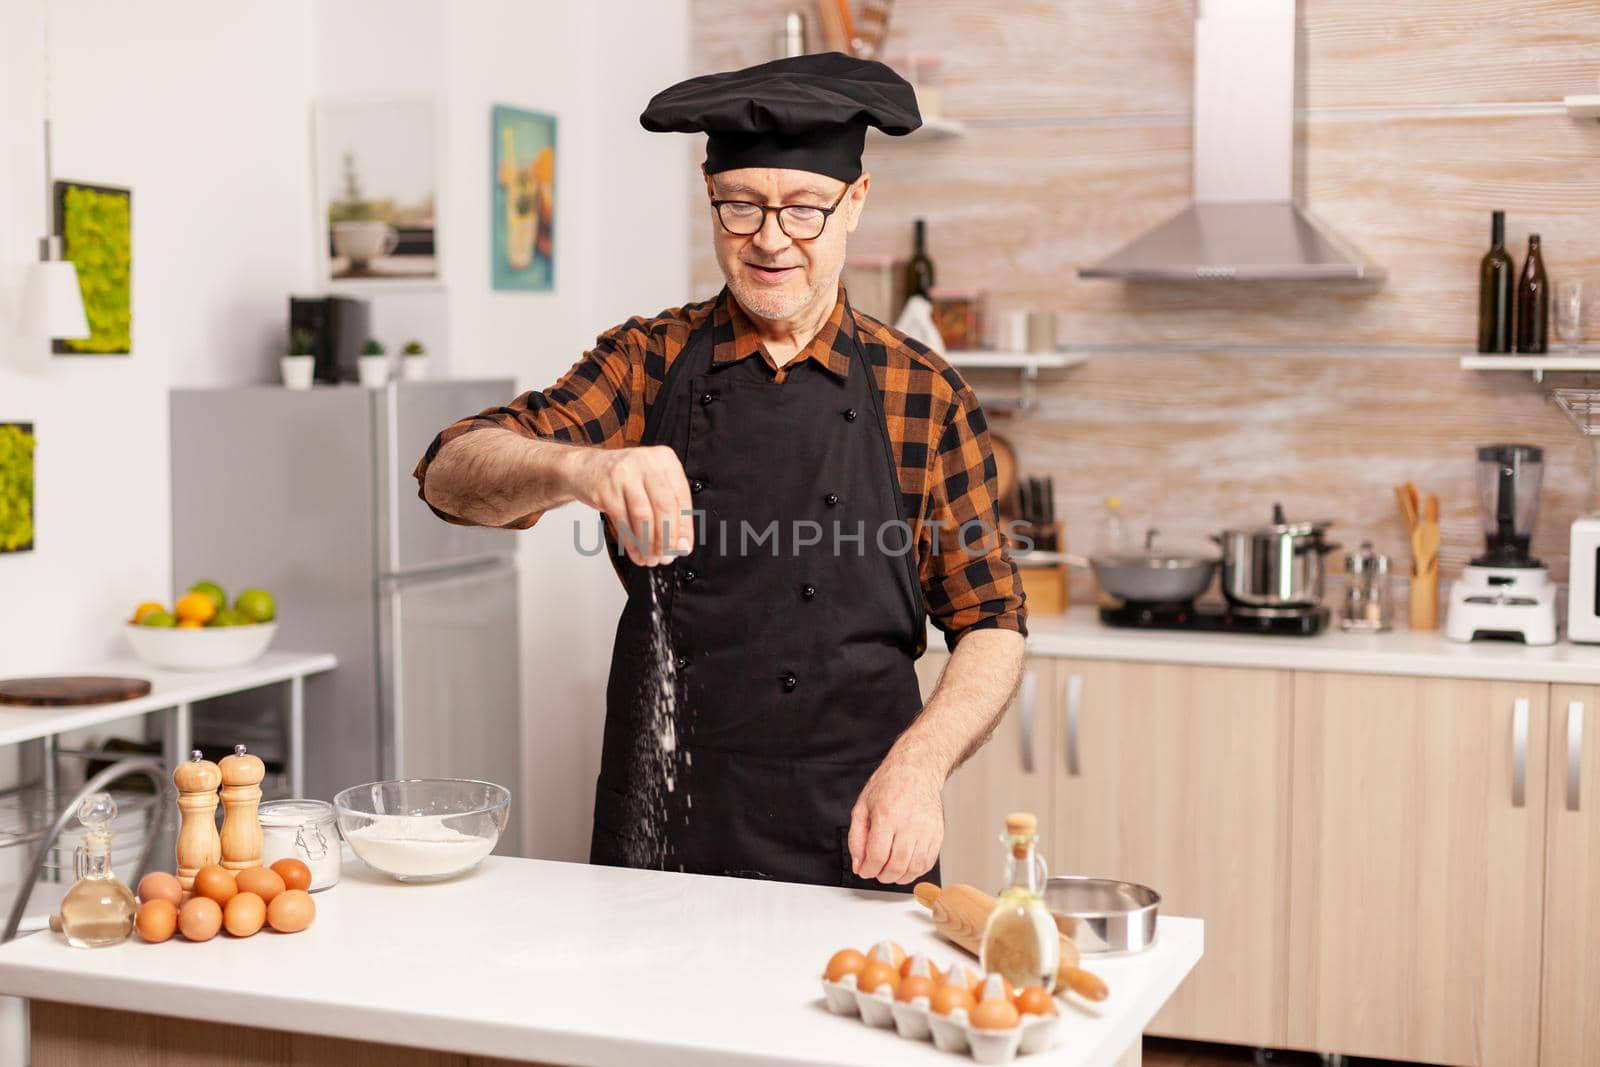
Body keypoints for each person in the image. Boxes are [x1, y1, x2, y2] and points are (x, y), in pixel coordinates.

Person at [414, 53, 1025, 890]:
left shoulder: (924, 392)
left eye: (805, 209)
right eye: (740, 205)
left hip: (861, 824)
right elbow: (449, 471)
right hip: (661, 829)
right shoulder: (645, 361)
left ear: (856, 205)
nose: (770, 238)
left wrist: (922, 766)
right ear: (711, 200)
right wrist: (580, 467)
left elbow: (992, 619)